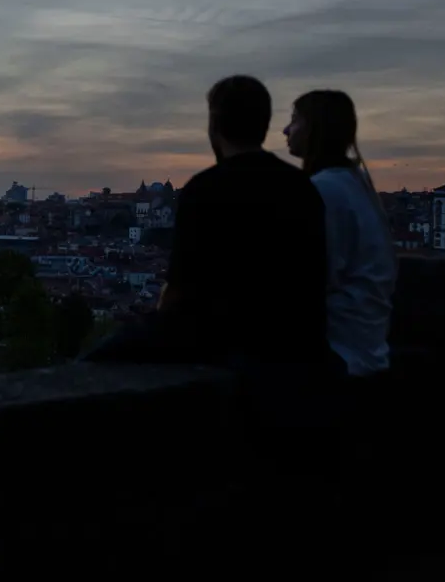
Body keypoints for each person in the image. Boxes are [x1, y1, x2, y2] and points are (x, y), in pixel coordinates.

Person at [85, 75, 330, 370]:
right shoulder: (301, 186)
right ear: (264, 124)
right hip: (293, 338)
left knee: (98, 357)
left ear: (214, 125)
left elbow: (179, 287)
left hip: (219, 339)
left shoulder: (205, 189)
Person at [283, 90, 396, 379]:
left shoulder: (324, 189)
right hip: (368, 349)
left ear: (313, 129)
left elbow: (312, 280)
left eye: (294, 120)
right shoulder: (356, 184)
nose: (286, 129)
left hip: (340, 355)